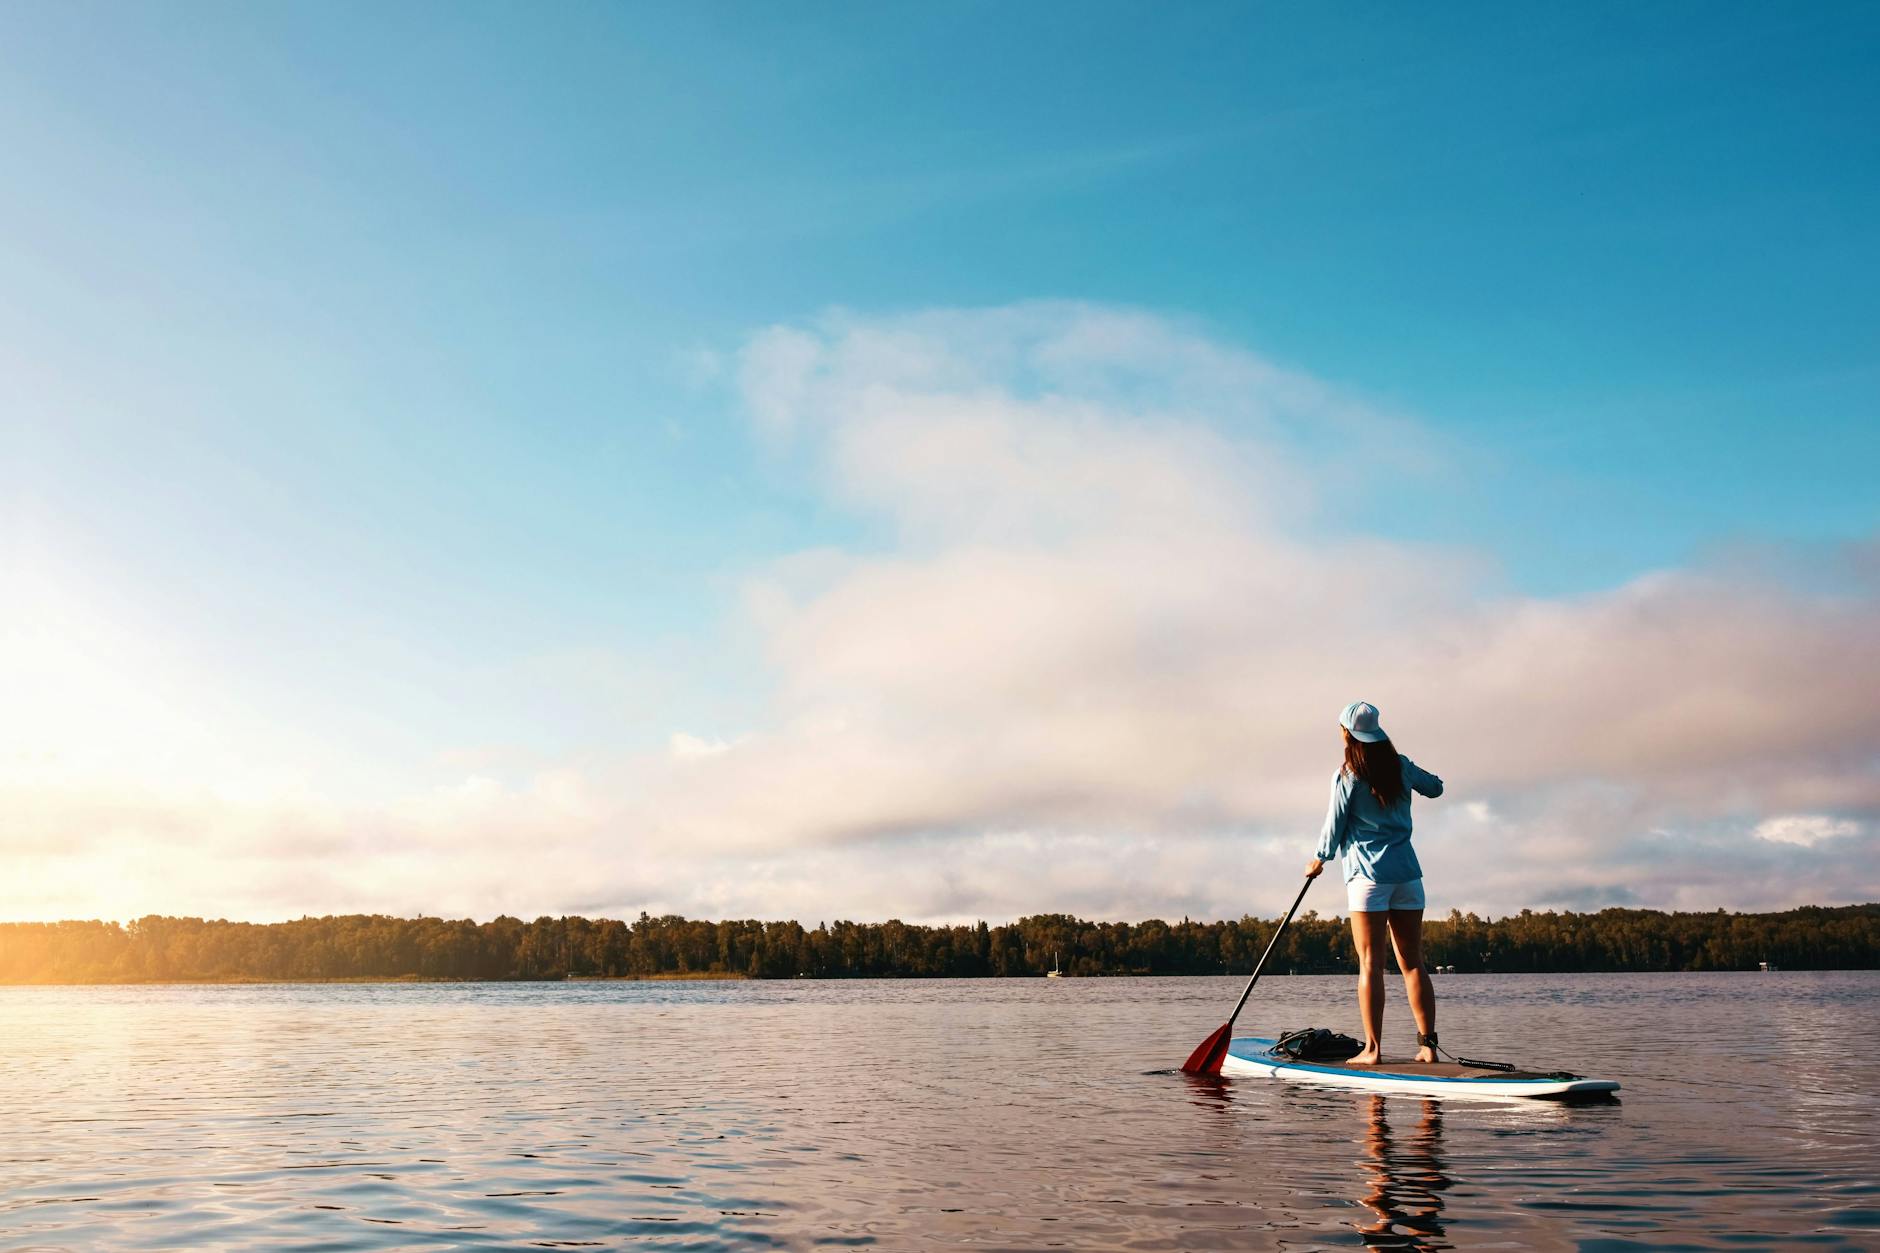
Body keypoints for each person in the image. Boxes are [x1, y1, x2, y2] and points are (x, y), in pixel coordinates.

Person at [1305, 700, 1444, 1065]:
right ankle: (1428, 1047)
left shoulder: (1348, 774)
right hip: (1408, 876)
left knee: (1370, 964)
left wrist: (1319, 859)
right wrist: (1414, 775)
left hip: (1368, 878)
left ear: (1347, 734)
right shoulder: (1401, 765)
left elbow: (1334, 823)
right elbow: (1436, 789)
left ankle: (1372, 1050)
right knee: (1413, 963)